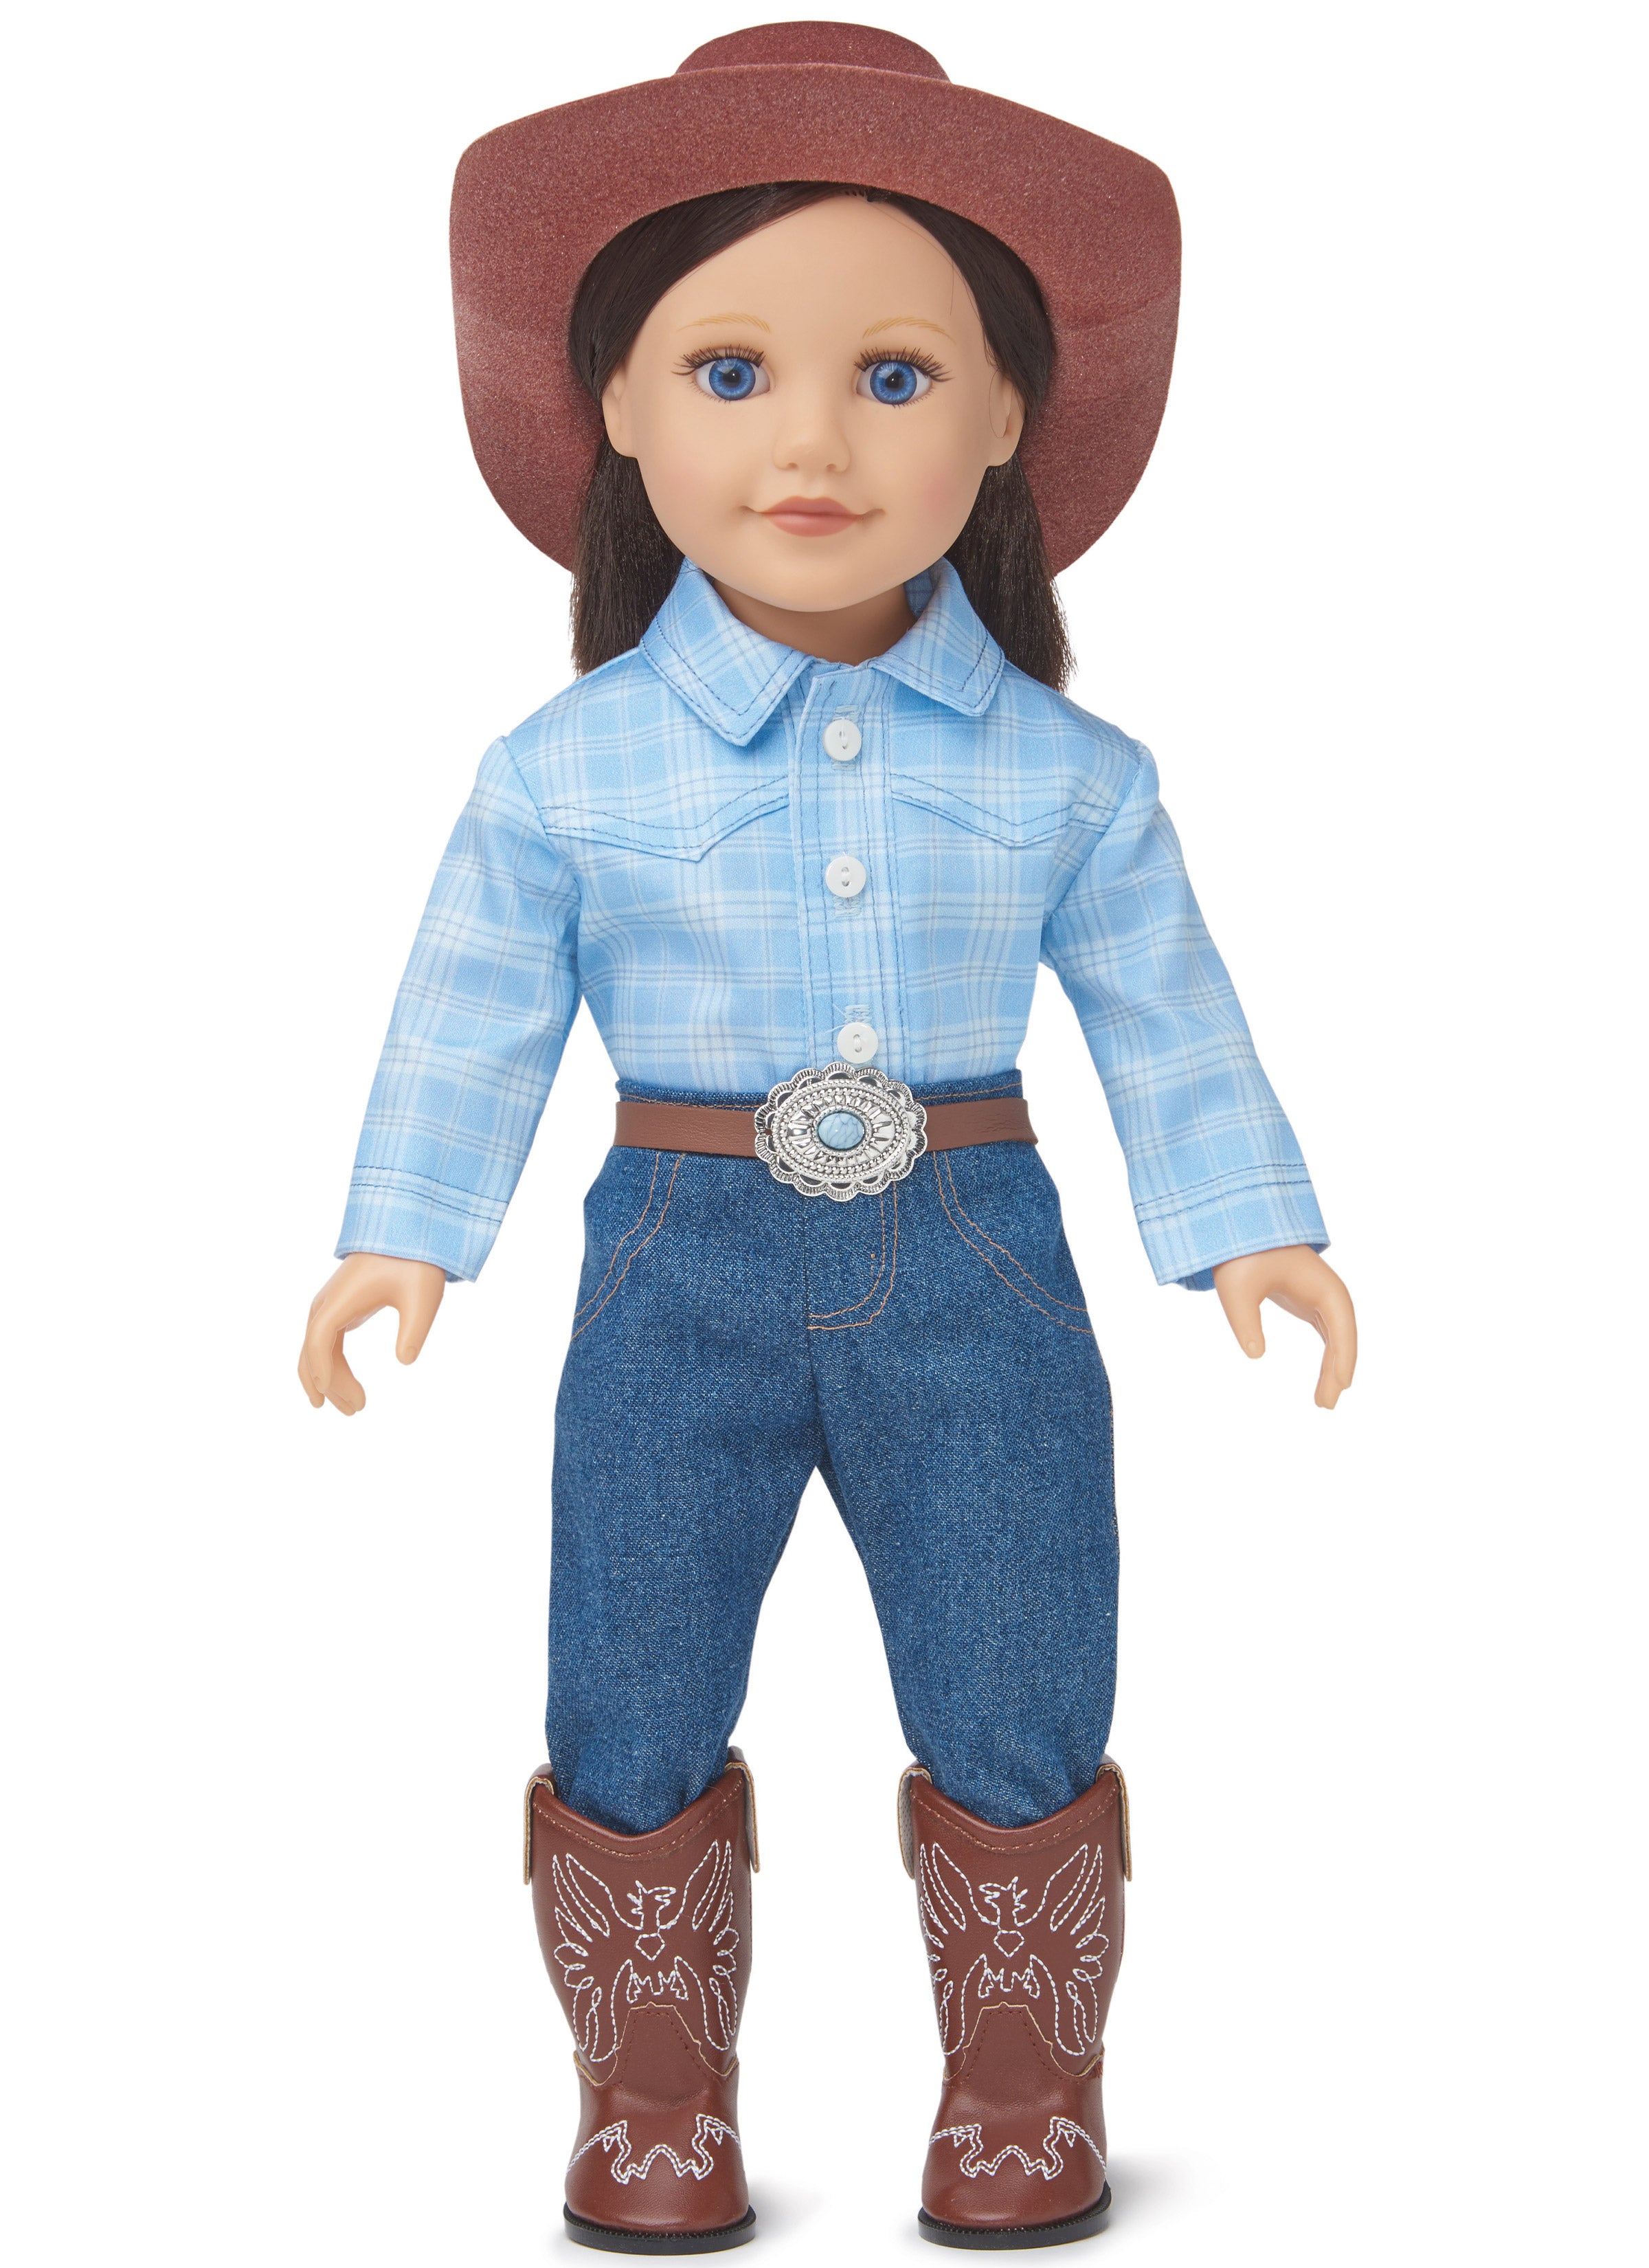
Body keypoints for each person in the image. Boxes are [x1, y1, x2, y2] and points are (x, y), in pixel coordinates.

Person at [298, 24, 1356, 2255]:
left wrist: (1247, 1225)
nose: (809, 441)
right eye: (729, 371)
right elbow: (472, 1013)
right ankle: (651, 2096)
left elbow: (1165, 1009)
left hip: (978, 1255)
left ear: (1005, 419)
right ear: (614, 404)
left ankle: (1021, 2086)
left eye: (894, 376)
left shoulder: (1073, 774)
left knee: (1017, 1650)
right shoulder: (563, 770)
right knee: (632, 1665)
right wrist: (406, 1234)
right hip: (669, 1257)